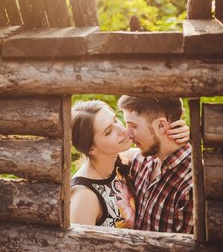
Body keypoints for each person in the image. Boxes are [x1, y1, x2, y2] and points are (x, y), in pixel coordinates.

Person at [70, 100, 189, 228]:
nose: (122, 129)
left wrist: (173, 133)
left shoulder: (121, 161)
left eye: (115, 120)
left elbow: (161, 149)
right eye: (108, 131)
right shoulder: (84, 196)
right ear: (91, 149)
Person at [118, 95, 193, 233]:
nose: (127, 133)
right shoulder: (142, 160)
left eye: (132, 126)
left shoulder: (191, 185)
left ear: (161, 125)